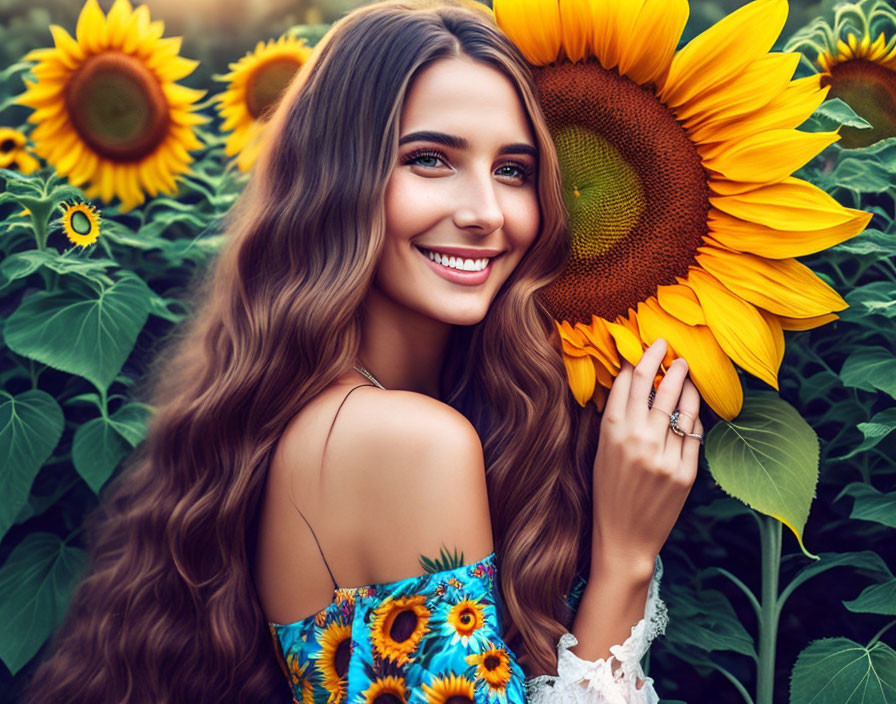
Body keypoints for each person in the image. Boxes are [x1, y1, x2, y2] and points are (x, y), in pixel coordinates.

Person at [20, 1, 703, 703]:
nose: (485, 212)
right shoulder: (403, 440)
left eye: (514, 170)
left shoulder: (316, 414)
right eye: (429, 160)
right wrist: (624, 562)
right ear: (336, 181)